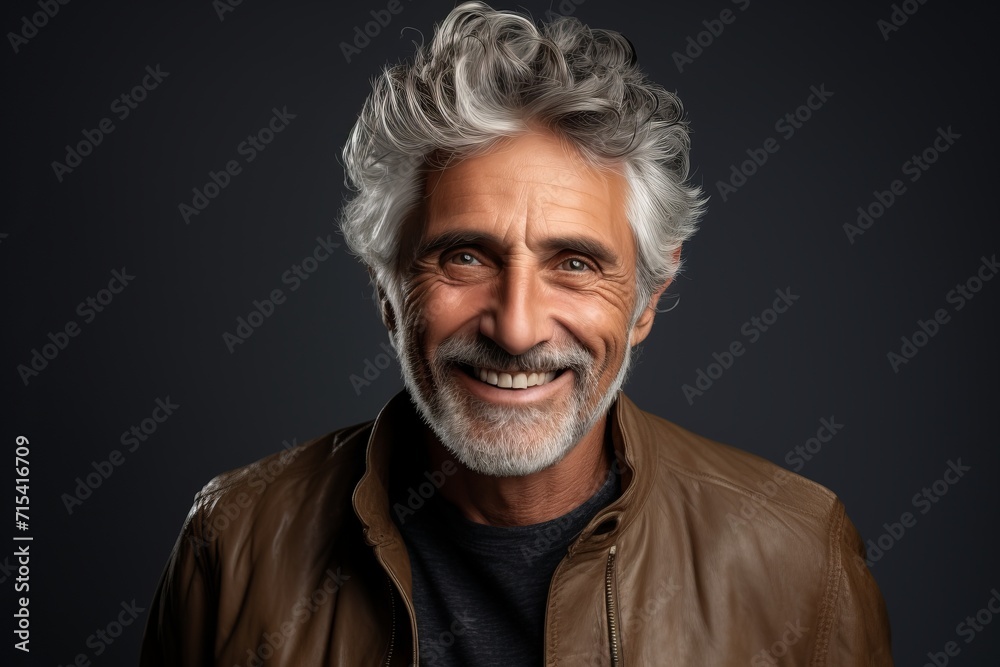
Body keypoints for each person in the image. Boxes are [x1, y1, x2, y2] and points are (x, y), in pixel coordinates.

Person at [139, 3, 893, 665]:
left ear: (646, 300)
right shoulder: (233, 545)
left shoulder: (798, 556)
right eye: (465, 255)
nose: (517, 326)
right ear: (386, 288)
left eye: (574, 262)